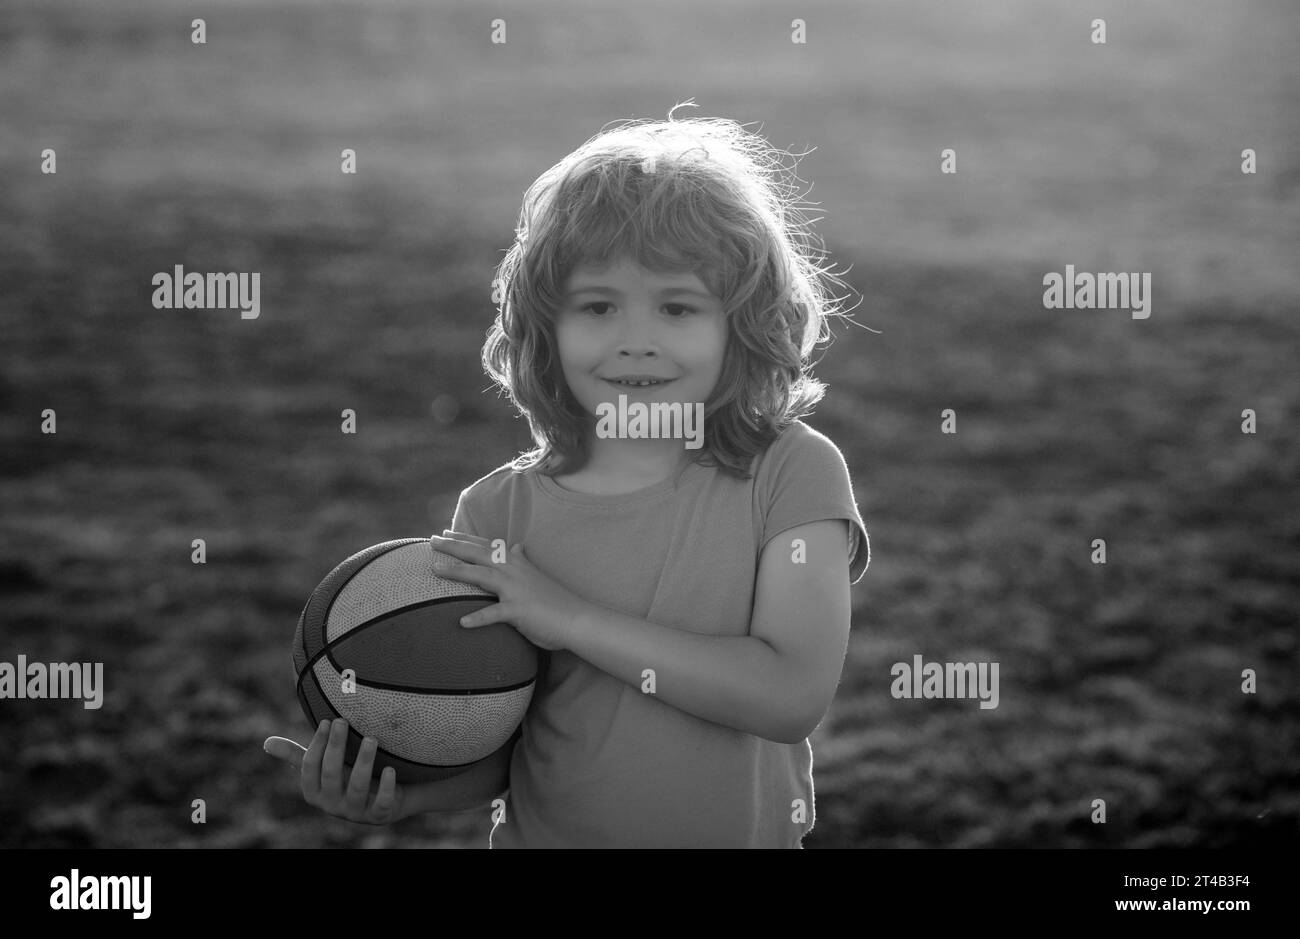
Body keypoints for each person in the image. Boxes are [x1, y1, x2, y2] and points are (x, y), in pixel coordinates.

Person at [266, 102, 870, 847]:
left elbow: (788, 696)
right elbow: (503, 741)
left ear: (741, 322)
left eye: (677, 307)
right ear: (544, 327)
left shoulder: (793, 472)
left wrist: (571, 618)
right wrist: (399, 793)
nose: (635, 341)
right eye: (598, 307)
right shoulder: (495, 511)